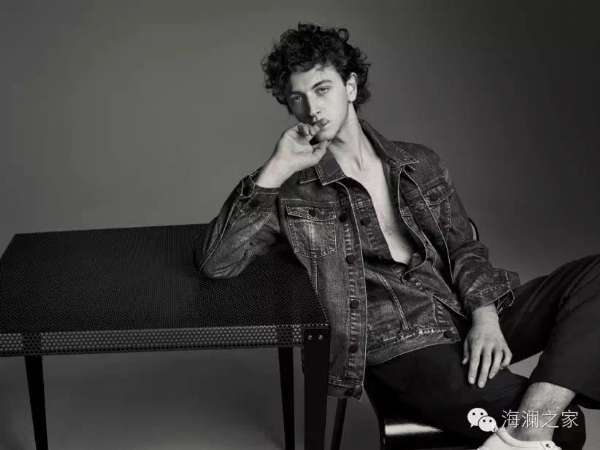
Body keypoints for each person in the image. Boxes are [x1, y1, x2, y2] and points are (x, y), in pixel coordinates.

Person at [194, 23, 600, 450]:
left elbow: (464, 246)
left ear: (350, 87)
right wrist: (276, 168)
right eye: (297, 98)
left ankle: (524, 431)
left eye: (322, 89)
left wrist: (485, 317)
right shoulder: (292, 191)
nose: (311, 107)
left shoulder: (419, 162)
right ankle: (533, 427)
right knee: (568, 423)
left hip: (460, 308)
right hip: (401, 342)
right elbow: (217, 261)